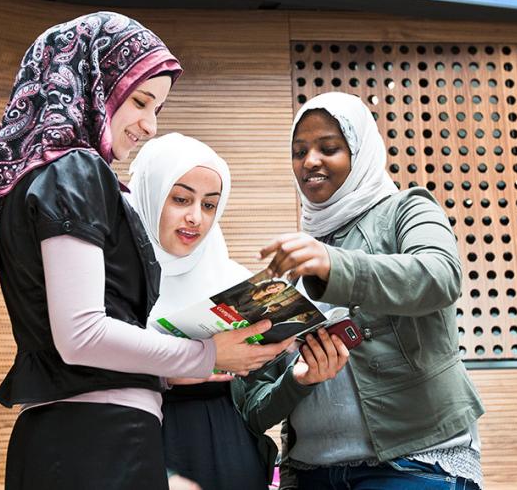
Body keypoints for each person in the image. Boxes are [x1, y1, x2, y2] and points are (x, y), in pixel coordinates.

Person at [0, 12, 290, 490]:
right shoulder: (76, 170)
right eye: (140, 101)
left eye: (156, 107)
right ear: (94, 84)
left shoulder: (36, 177)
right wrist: (207, 355)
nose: (149, 125)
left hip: (71, 437)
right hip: (100, 441)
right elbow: (81, 335)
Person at [237, 91, 485, 489]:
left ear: (359, 152)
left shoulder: (407, 208)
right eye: (299, 152)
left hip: (412, 465)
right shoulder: (294, 259)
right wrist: (298, 381)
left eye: (329, 148)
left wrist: (334, 264)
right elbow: (254, 406)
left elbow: (440, 276)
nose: (310, 161)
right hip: (310, 474)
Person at [126, 132, 350, 490]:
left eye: (210, 204)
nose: (195, 218)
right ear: (150, 196)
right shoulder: (115, 282)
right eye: (181, 199)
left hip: (232, 457)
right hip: (143, 448)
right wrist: (177, 368)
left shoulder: (234, 283)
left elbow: (256, 411)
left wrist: (298, 380)